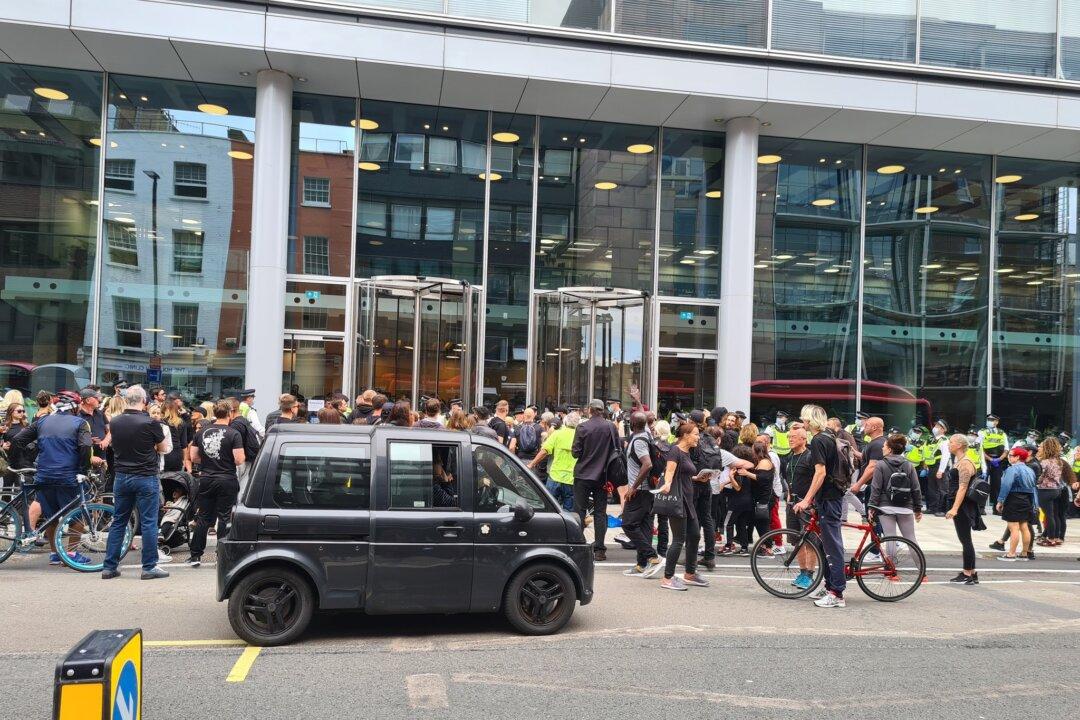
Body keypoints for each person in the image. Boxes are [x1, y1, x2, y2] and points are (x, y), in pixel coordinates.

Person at [13, 391, 98, 567]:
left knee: (51, 516)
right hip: (68, 475)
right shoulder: (80, 423)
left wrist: (36, 451)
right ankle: (71, 554)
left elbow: (18, 439)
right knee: (78, 516)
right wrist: (84, 469)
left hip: (44, 474)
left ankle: (55, 553)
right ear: (74, 407)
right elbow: (85, 447)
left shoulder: (42, 421)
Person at [101, 385, 169, 580]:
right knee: (148, 522)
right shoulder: (151, 422)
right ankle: (149, 567)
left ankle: (109, 566)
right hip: (145, 475)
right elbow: (163, 448)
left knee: (119, 520)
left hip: (122, 475)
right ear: (144, 401)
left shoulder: (115, 422)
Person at [792, 404, 847, 608]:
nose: (802, 423)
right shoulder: (827, 436)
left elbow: (820, 473)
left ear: (809, 421)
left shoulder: (818, 440)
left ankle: (837, 593)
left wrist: (807, 499)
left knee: (832, 547)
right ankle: (829, 584)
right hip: (829, 497)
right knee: (825, 546)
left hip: (829, 498)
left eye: (804, 419)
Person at [188, 400, 246, 567]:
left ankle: (195, 555)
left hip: (206, 477)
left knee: (204, 517)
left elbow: (194, 457)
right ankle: (221, 555)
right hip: (226, 478)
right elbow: (239, 459)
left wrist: (209, 461)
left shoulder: (202, 431)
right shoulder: (233, 433)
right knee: (225, 517)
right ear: (229, 414)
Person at [658, 420, 713, 591]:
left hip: (688, 501)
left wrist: (697, 478)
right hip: (678, 501)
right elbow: (670, 470)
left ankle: (690, 573)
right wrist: (667, 483)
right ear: (686, 435)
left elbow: (684, 474)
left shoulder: (687, 452)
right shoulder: (675, 450)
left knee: (695, 535)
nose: (698, 437)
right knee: (679, 540)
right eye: (696, 434)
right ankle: (667, 578)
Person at [571, 399, 620, 562]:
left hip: (583, 474)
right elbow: (617, 449)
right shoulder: (611, 427)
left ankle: (578, 546)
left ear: (590, 410)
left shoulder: (583, 427)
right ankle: (600, 549)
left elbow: (575, 452)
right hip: (603, 476)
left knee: (579, 511)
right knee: (600, 513)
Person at [621, 412, 662, 578]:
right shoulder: (646, 434)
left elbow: (647, 464)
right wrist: (638, 402)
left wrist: (633, 488)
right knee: (644, 527)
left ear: (631, 424)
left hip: (639, 491)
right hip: (647, 491)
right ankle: (641, 564)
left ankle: (652, 557)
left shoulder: (638, 441)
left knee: (628, 524)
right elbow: (643, 418)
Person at [868, 433, 922, 547]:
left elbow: (876, 488)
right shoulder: (909, 465)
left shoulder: (880, 464)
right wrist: (918, 508)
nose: (882, 448)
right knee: (911, 539)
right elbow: (916, 488)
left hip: (885, 506)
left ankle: (890, 565)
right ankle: (921, 564)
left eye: (884, 446)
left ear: (889, 449)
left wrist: (872, 506)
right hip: (906, 507)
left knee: (890, 538)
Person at [942, 434, 984, 583]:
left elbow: (963, 488)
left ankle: (967, 573)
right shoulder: (959, 461)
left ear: (959, 445)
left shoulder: (965, 463)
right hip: (961, 504)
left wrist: (954, 509)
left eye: (951, 442)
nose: (949, 444)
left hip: (964, 505)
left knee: (965, 539)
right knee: (964, 539)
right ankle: (971, 573)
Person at [784, 426, 819, 589]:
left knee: (810, 541)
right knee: (796, 540)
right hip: (792, 505)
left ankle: (810, 575)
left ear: (804, 439)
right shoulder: (790, 457)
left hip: (807, 505)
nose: (790, 439)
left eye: (794, 437)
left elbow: (817, 480)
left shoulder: (810, 457)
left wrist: (810, 501)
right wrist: (789, 496)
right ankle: (803, 572)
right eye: (789, 437)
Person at [995, 447, 1038, 561]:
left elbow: (1006, 485)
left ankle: (1011, 554)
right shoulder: (1030, 470)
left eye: (1011, 455)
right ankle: (1024, 553)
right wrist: (1034, 504)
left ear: (1018, 457)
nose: (1009, 457)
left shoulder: (1012, 469)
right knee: (1024, 527)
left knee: (1013, 527)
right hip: (1027, 499)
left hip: (1014, 498)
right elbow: (1034, 488)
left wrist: (1000, 500)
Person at [529, 411, 577, 511]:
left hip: (555, 475)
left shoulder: (557, 434)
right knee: (569, 510)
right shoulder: (579, 436)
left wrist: (532, 464)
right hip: (571, 478)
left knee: (550, 507)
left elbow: (544, 451)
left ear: (565, 422)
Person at [1035, 438, 1066, 547]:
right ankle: (1056, 537)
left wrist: (1035, 482)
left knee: (1048, 515)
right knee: (1054, 514)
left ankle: (1050, 539)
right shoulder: (1059, 461)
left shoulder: (1044, 462)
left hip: (1045, 490)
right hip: (1057, 489)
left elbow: (1040, 477)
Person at [227, 397, 261, 490]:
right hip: (247, 458)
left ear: (231, 411)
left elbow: (234, 445)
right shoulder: (244, 420)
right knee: (243, 487)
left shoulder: (235, 424)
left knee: (236, 488)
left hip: (239, 461)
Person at [980, 414, 1009, 515]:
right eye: (988, 419)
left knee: (997, 485)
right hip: (985, 461)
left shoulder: (1002, 433)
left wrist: (999, 459)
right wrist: (990, 459)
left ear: (997, 422)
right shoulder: (982, 432)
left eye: (992, 420)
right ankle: (981, 508)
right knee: (982, 484)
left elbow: (1006, 449)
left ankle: (996, 508)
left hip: (998, 462)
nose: (989, 421)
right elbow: (979, 448)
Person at [161, 398, 192, 473]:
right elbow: (184, 444)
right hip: (177, 454)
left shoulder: (161, 422)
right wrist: (184, 460)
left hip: (163, 452)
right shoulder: (181, 423)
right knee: (175, 480)